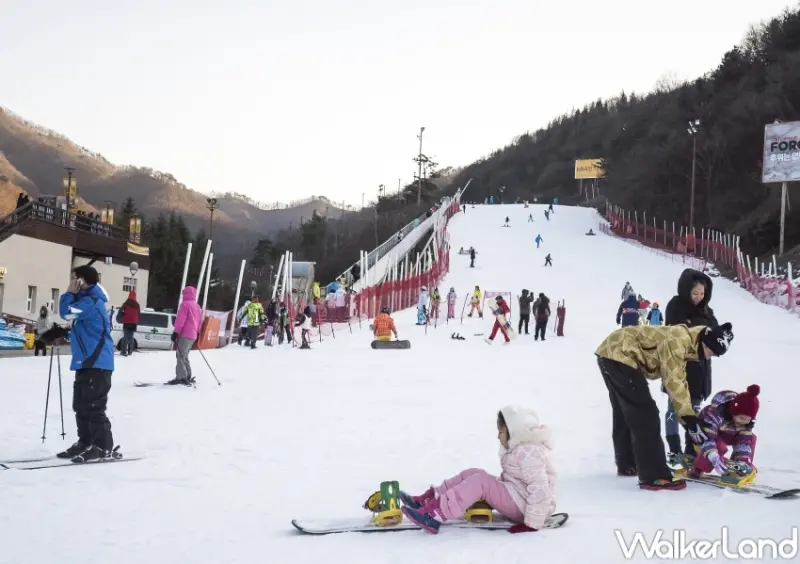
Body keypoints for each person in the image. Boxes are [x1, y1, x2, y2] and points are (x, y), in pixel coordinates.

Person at [594, 322, 734, 490]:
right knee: (646, 414)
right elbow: (673, 381)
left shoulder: (685, 343)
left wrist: (688, 418)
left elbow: (680, 380)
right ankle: (654, 475)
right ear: (703, 341)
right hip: (620, 353)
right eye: (710, 350)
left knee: (625, 412)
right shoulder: (678, 340)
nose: (708, 356)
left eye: (714, 354)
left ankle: (628, 464)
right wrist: (689, 418)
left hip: (611, 353)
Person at [399, 406, 556, 534]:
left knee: (480, 482)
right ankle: (430, 501)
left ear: (513, 431)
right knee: (475, 473)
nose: (498, 436)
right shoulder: (522, 448)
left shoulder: (529, 451)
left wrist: (532, 523)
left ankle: (434, 515)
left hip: (526, 510)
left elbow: (540, 488)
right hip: (519, 499)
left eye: (501, 432)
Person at [57, 265, 119, 462]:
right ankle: (86, 442)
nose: (72, 282)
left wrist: (68, 293)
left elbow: (66, 314)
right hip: (87, 362)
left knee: (93, 406)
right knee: (81, 405)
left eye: (74, 279)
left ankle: (103, 446)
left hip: (97, 362)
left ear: (82, 281)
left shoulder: (91, 302)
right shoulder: (85, 301)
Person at [664, 268, 719, 456]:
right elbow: (675, 332)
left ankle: (690, 450)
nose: (698, 297)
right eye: (695, 293)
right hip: (678, 367)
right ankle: (674, 450)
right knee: (675, 410)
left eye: (702, 294)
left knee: (694, 411)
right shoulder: (676, 306)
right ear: (686, 290)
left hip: (700, 370)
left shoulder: (706, 310)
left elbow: (715, 331)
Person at [688, 385, 759, 478]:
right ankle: (698, 468)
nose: (743, 422)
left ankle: (737, 468)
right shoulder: (714, 412)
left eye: (747, 419)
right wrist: (712, 455)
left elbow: (744, 441)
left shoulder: (745, 423)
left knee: (751, 437)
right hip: (703, 437)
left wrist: (743, 460)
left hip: (727, 434)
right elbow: (708, 437)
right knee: (719, 445)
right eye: (741, 418)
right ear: (734, 411)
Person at [169, 286, 202, 386]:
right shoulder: (197, 306)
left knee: (180, 355)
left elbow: (180, 320)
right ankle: (187, 375)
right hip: (193, 334)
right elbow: (200, 321)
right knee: (184, 355)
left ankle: (181, 377)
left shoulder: (184, 305)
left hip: (185, 334)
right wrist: (198, 332)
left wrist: (176, 332)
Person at [119, 290, 140, 356]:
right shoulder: (137, 305)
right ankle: (130, 351)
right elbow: (139, 314)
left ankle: (123, 352)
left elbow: (120, 311)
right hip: (134, 323)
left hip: (127, 322)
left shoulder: (125, 304)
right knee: (131, 337)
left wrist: (122, 315)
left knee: (125, 337)